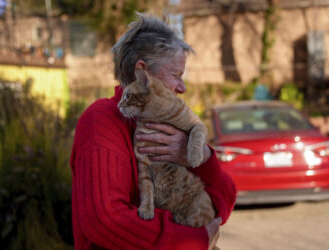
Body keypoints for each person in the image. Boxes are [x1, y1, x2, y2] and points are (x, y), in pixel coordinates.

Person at [70, 12, 237, 250]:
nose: (182, 87)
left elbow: (223, 204)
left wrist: (203, 159)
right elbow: (105, 221)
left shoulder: (172, 124)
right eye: (176, 75)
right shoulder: (102, 121)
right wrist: (190, 239)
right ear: (143, 73)